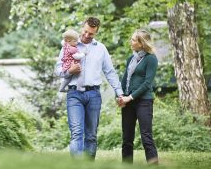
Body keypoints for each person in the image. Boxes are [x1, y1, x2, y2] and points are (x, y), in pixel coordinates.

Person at [55, 17, 123, 159]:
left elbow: (110, 72)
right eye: (85, 31)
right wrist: (69, 71)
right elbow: (58, 70)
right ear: (82, 27)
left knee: (91, 135)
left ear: (96, 33)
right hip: (74, 94)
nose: (86, 35)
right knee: (76, 133)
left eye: (91, 34)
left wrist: (119, 92)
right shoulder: (68, 46)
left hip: (93, 95)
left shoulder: (101, 49)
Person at [117, 29, 159, 164]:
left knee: (146, 137)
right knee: (127, 139)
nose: (131, 41)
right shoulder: (131, 58)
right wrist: (121, 96)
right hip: (128, 102)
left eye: (134, 40)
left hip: (144, 102)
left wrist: (130, 97)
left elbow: (147, 83)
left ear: (141, 43)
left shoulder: (151, 59)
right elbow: (125, 79)